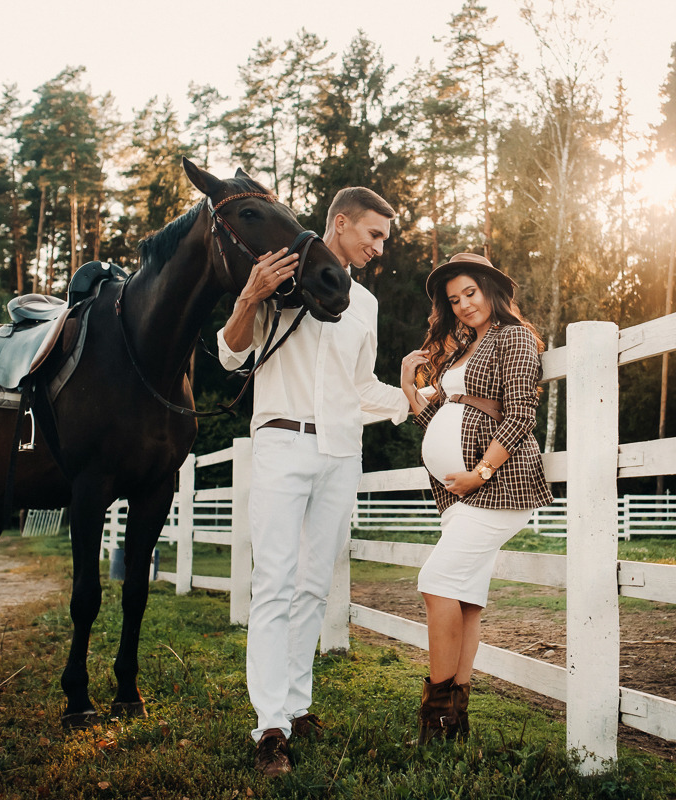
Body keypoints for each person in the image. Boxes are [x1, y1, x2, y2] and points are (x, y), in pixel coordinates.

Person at [218, 187, 409, 778]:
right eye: (373, 234)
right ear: (341, 223)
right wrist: (251, 295)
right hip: (280, 442)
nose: (379, 247)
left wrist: (415, 396)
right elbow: (230, 356)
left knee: (312, 588)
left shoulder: (368, 305)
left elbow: (359, 388)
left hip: (339, 454)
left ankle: (296, 707)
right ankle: (268, 727)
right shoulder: (280, 273)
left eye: (383, 238)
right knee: (274, 584)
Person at [399, 253, 552, 744]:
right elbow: (438, 420)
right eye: (454, 299)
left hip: (498, 486)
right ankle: (454, 723)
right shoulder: (466, 348)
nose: (464, 304)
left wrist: (480, 472)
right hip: (459, 494)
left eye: (471, 292)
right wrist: (409, 387)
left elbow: (520, 414)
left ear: (491, 289)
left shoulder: (514, 338)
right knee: (463, 598)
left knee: (436, 581)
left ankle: (436, 717)